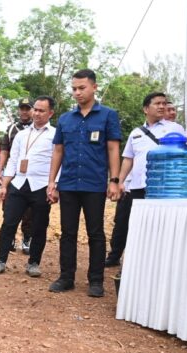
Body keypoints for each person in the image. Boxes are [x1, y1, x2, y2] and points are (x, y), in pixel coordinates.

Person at [46, 69, 122, 297]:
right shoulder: (65, 119)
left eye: (82, 88)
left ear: (94, 87)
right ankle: (66, 277)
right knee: (68, 232)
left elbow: (112, 148)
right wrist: (52, 182)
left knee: (95, 233)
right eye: (74, 89)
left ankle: (96, 280)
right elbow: (58, 150)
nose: (77, 92)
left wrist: (114, 180)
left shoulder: (108, 115)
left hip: (94, 184)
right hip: (68, 183)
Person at [105, 93, 186, 267]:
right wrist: (119, 181)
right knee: (129, 223)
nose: (162, 107)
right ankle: (124, 258)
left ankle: (157, 261)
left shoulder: (175, 129)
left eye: (164, 103)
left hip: (162, 189)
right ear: (145, 109)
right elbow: (128, 159)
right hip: (137, 187)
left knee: (158, 225)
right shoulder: (136, 133)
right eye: (157, 103)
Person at [0, 96, 56, 278]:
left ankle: (34, 262)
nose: (37, 113)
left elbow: (58, 162)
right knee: (9, 222)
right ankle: (0, 260)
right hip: (19, 183)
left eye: (42, 110)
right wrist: (5, 184)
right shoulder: (21, 135)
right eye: (36, 109)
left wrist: (54, 185)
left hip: (41, 185)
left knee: (39, 226)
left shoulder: (55, 134)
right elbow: (13, 160)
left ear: (51, 113)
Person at [0, 98, 34, 254]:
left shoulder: (38, 128)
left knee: (30, 212)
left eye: (27, 108)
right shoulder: (11, 128)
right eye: (22, 108)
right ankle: (10, 238)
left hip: (32, 177)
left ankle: (27, 238)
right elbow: (4, 151)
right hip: (12, 175)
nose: (24, 111)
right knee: (9, 208)